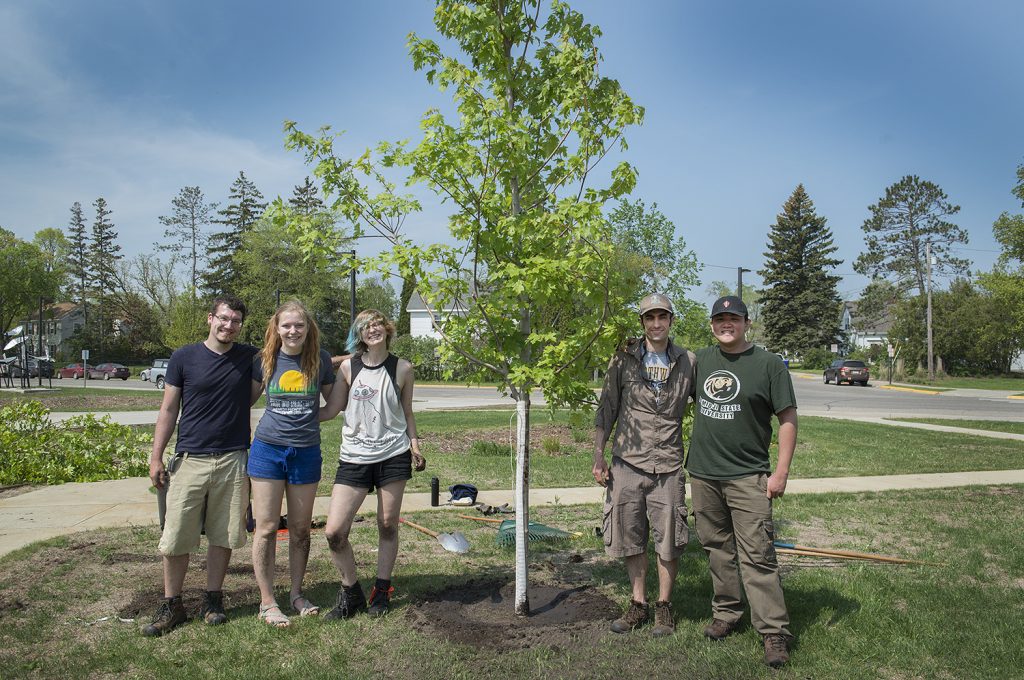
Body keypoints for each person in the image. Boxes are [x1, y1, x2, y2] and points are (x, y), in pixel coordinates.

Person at [685, 295, 798, 668]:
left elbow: (787, 419)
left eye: (733, 318)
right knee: (716, 548)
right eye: (720, 319)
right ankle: (726, 614)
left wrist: (780, 472)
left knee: (758, 556)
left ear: (747, 322)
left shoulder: (769, 365)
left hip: (748, 476)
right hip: (703, 474)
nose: (726, 324)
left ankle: (773, 632)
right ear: (713, 324)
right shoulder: (700, 361)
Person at [143, 296, 259, 637]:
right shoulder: (184, 357)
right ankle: (172, 604)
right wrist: (155, 455)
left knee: (223, 534)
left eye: (236, 321)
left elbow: (296, 355)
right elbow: (168, 410)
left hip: (233, 458)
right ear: (210, 318)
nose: (229, 325)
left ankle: (212, 600)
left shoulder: (250, 358)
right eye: (223, 318)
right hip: (190, 459)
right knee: (177, 535)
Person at [593, 293, 697, 637]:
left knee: (669, 538)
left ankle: (663, 607)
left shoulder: (688, 361)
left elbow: (710, 405)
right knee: (629, 534)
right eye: (649, 318)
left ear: (671, 320)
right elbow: (607, 407)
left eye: (662, 317)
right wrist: (598, 454)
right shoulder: (623, 359)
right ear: (642, 322)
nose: (656, 323)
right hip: (627, 462)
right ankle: (638, 603)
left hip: (667, 463)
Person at [319, 309, 426, 620]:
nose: (373, 330)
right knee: (334, 532)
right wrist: (294, 413)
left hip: (393, 455)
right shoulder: (348, 369)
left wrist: (415, 446)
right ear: (359, 334)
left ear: (387, 330)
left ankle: (381, 589)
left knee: (387, 524)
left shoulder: (402, 368)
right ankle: (351, 592)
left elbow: (407, 413)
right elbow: (331, 410)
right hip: (354, 457)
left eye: (378, 324)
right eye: (366, 327)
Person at [248, 301, 338, 627]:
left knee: (300, 529)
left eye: (299, 325)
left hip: (306, 452)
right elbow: (245, 399)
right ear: (277, 328)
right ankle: (267, 601)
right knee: (267, 527)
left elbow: (333, 403)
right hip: (267, 450)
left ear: (307, 328)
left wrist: (314, 418)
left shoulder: (320, 360)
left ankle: (297, 593)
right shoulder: (265, 360)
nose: (293, 331)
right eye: (286, 325)